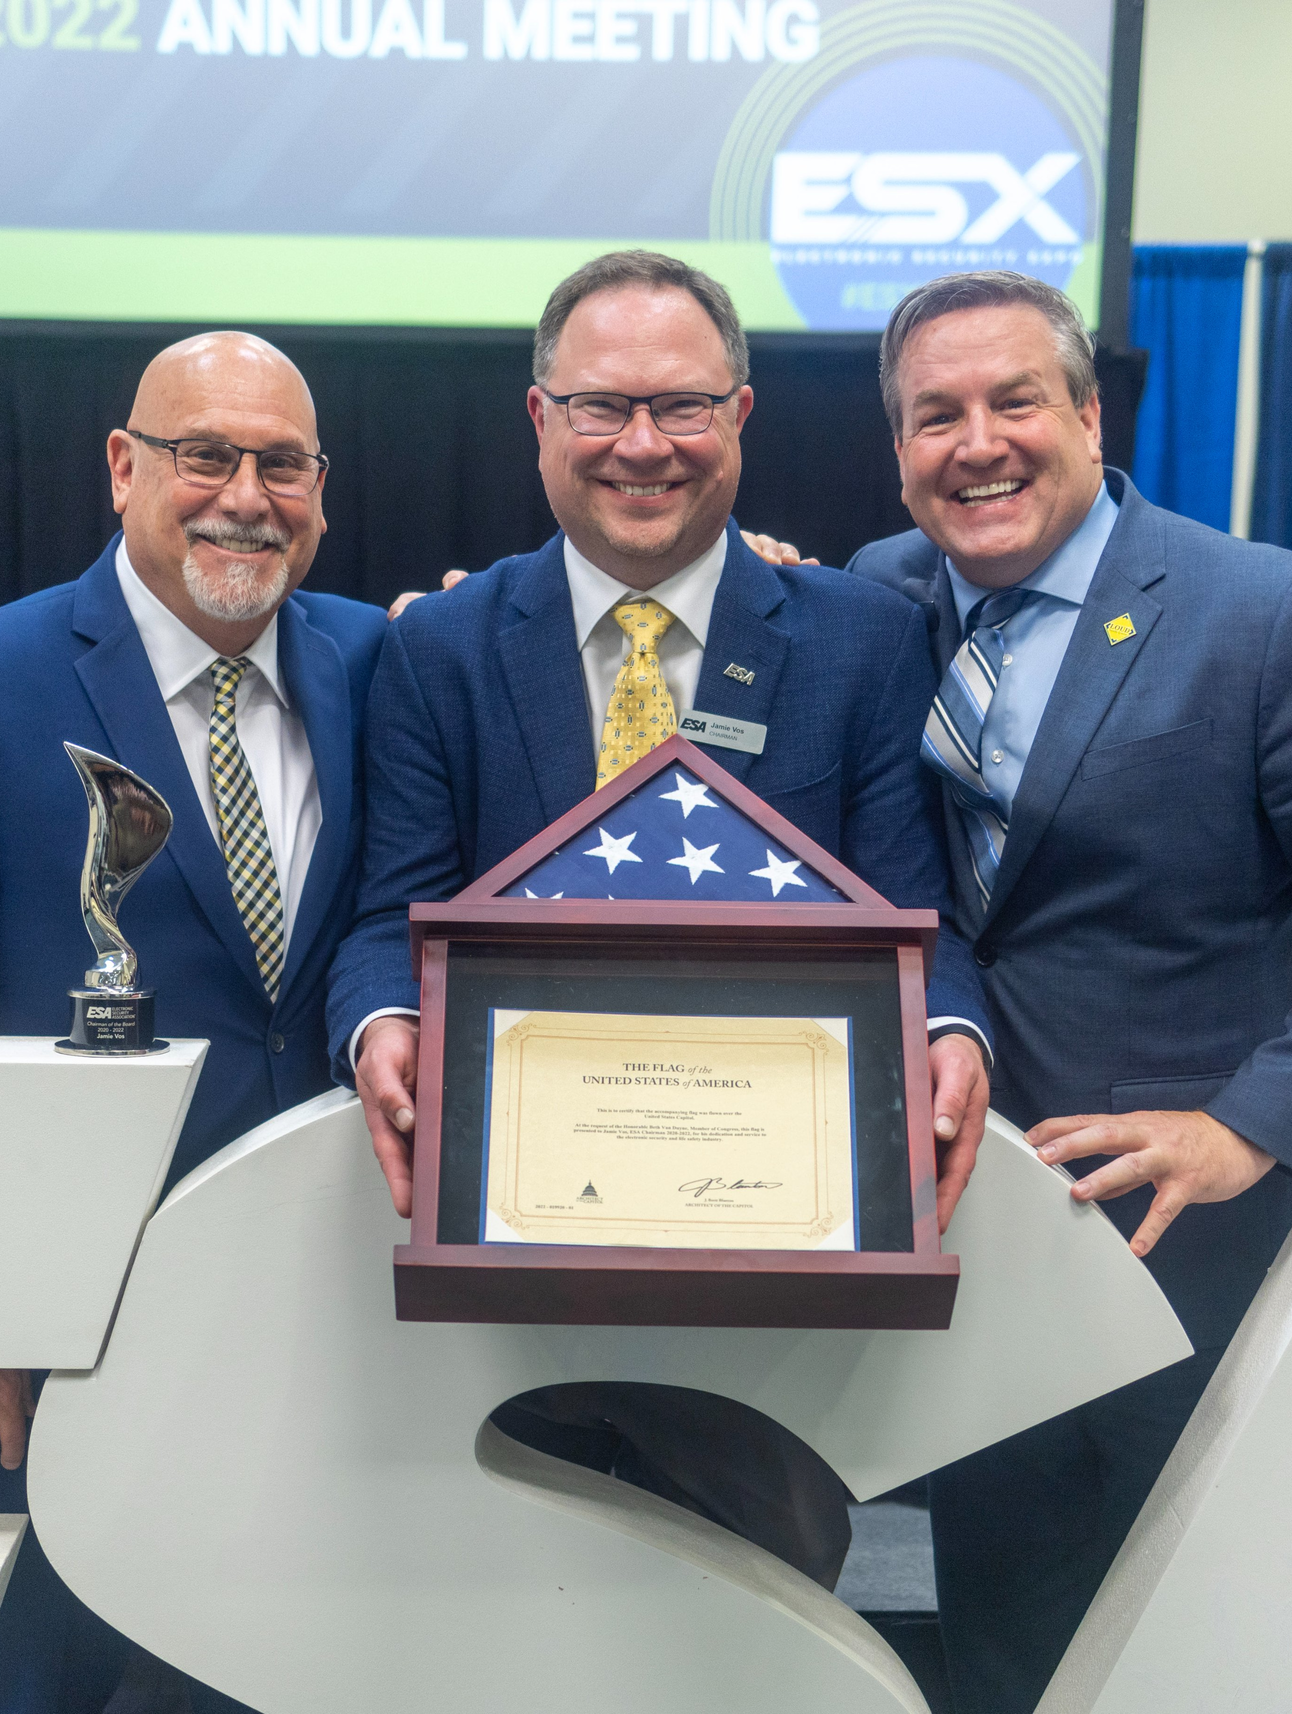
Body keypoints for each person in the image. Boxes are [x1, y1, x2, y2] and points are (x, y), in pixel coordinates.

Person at [821, 271, 1292, 1711]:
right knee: (1009, 1641)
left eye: (1014, 400)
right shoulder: (870, 603)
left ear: (1088, 410)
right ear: (897, 452)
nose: (977, 442)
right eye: (934, 415)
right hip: (971, 1244)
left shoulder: (1261, 613)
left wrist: (1249, 1121)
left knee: (1211, 1656)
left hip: (1191, 1253)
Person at [325, 249, 994, 1589]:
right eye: (602, 407)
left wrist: (959, 1028)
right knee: (498, 1627)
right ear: (539, 418)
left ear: (741, 418)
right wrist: (382, 1024)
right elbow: (377, 918)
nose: (644, 446)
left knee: (749, 1638)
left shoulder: (862, 639)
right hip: (507, 1293)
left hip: (768, 1306)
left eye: (684, 407)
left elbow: (922, 915)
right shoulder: (437, 649)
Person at [0, 332, 386, 1714]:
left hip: (327, 1328)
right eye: (206, 454)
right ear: (125, 467)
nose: (244, 494)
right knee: (36, 1684)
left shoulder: (383, 664)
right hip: (62, 1337)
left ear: (323, 488)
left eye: (283, 462)